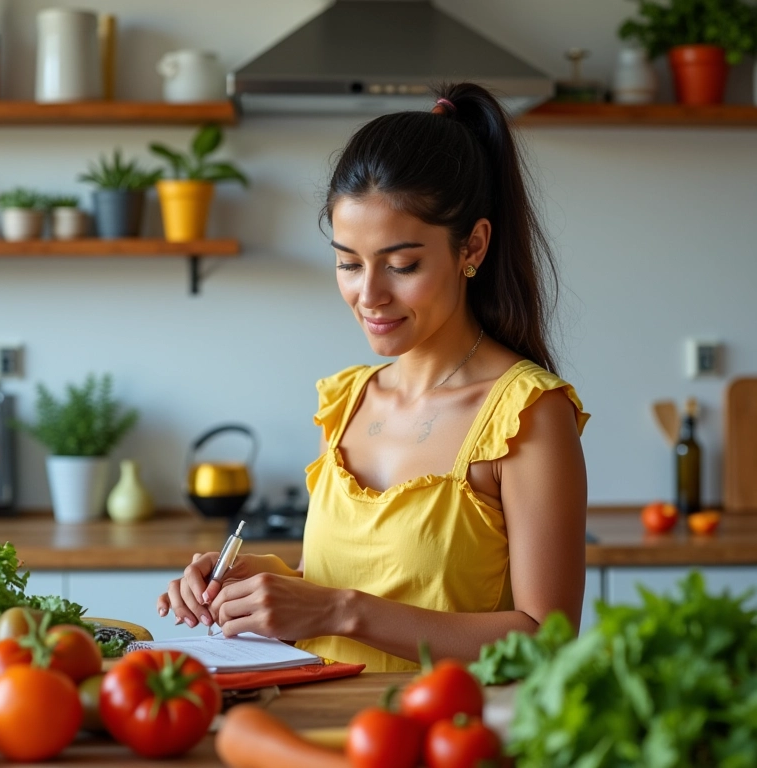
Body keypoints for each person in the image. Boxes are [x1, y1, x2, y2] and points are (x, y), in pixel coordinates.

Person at [157, 82, 589, 673]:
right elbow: (371, 583)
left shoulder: (526, 414)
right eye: (348, 263)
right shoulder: (348, 401)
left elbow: (547, 640)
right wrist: (266, 581)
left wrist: (335, 610)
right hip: (321, 734)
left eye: (403, 265)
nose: (369, 296)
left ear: (474, 247)